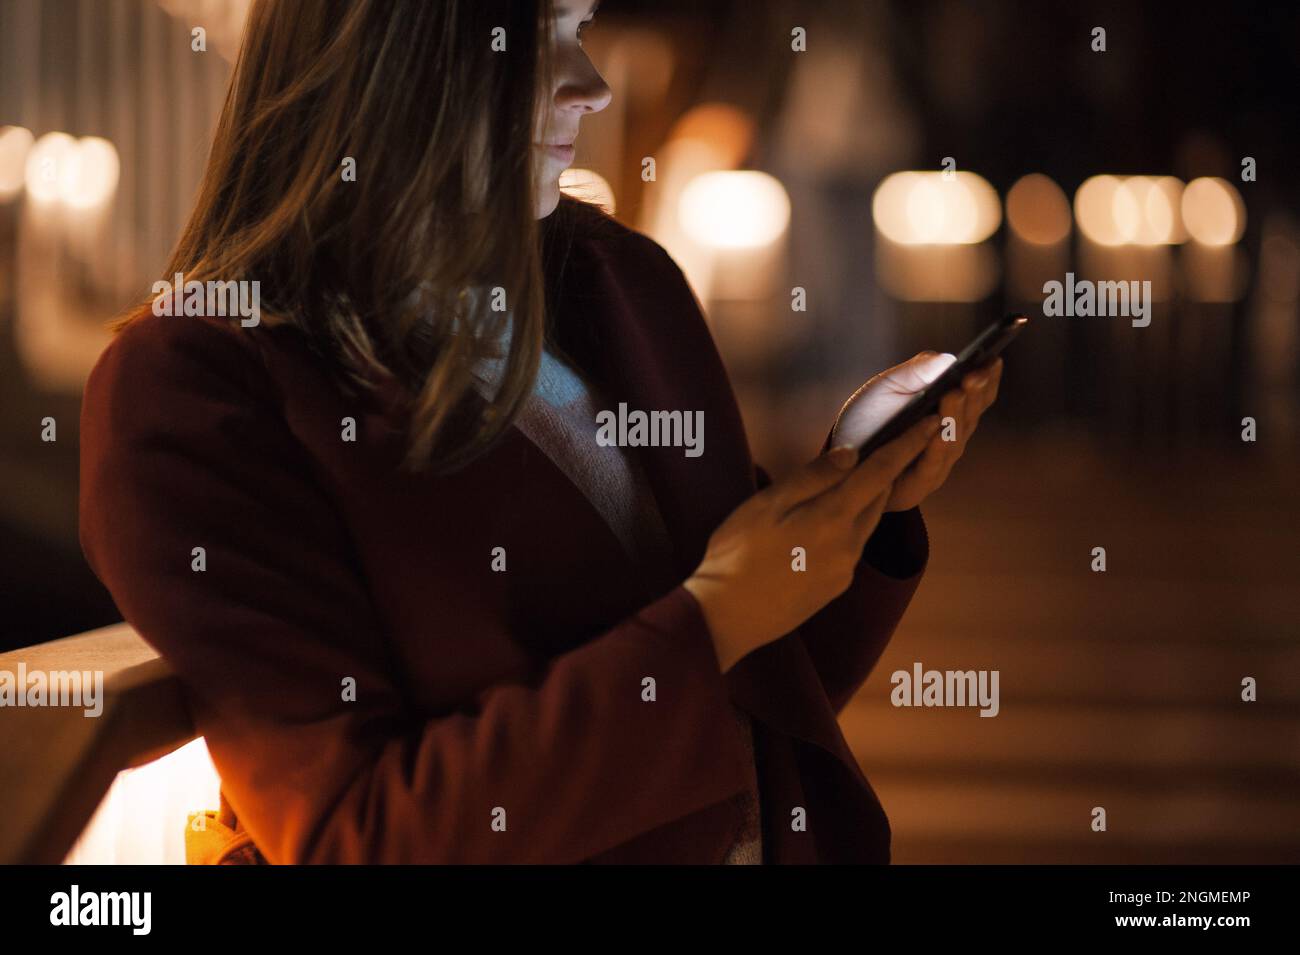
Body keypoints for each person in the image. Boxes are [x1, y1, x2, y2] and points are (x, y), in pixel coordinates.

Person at [78, 0, 1001, 864]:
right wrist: (715, 614)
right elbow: (357, 834)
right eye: (542, 34)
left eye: (583, 24)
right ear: (400, 53)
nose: (592, 83)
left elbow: (740, 713)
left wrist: (862, 499)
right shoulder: (202, 391)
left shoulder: (619, 285)